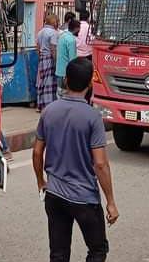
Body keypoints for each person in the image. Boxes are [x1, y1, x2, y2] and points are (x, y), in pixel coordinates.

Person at [33, 59, 119, 262]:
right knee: (97, 250)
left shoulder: (49, 111)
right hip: (84, 198)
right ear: (90, 83)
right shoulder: (92, 117)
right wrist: (111, 202)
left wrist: (41, 181)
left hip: (54, 195)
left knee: (58, 253)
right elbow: (100, 164)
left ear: (66, 80)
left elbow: (37, 153)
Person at [36, 14, 61, 110]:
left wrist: (40, 58)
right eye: (57, 21)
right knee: (49, 82)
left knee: (41, 81)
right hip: (49, 58)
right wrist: (55, 61)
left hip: (42, 58)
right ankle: (48, 104)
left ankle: (40, 104)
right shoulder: (53, 33)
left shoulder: (40, 32)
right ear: (54, 22)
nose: (58, 23)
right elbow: (53, 48)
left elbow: (37, 47)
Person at [56, 18, 80, 96]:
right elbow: (72, 59)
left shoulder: (62, 36)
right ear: (76, 28)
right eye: (79, 28)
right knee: (66, 94)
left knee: (59, 93)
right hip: (66, 72)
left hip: (59, 70)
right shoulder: (71, 40)